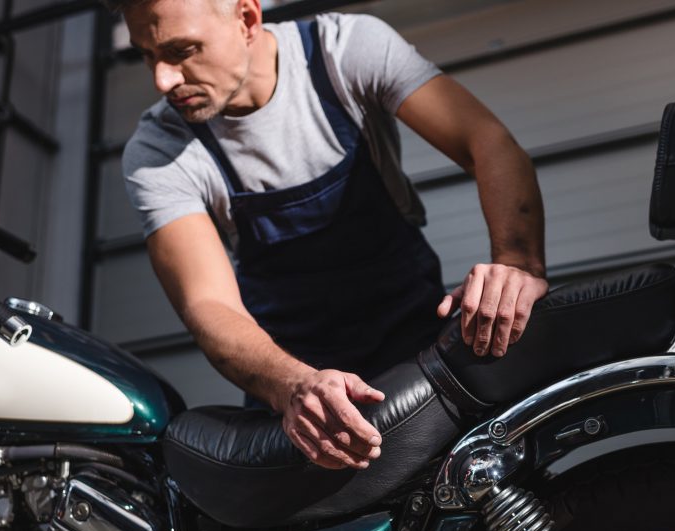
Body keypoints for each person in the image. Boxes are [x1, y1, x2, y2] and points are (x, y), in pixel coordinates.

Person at [115, 0, 548, 471]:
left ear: (247, 18)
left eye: (182, 50)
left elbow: (486, 143)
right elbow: (208, 304)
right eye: (146, 54)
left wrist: (517, 262)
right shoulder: (158, 150)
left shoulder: (344, 51)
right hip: (294, 385)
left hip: (419, 355)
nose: (163, 80)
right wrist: (293, 385)